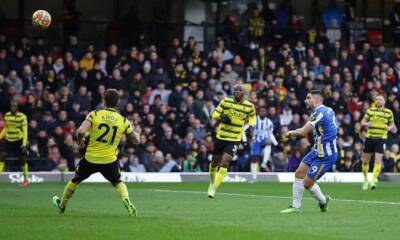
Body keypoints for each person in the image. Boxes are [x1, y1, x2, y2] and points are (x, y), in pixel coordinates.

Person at [52, 89, 140, 216]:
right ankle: (126, 199)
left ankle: (62, 205)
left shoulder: (95, 114)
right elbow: (136, 139)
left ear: (104, 100)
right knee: (118, 183)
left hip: (90, 159)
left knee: (75, 180)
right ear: (118, 102)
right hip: (110, 160)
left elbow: (80, 131)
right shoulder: (123, 120)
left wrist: (80, 141)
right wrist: (136, 134)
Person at [281, 90, 337, 213]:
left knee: (307, 183)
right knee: (299, 173)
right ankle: (296, 207)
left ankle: (323, 201)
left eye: (308, 98)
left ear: (316, 100)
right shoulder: (329, 110)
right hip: (316, 150)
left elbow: (302, 132)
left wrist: (290, 133)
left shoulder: (319, 113)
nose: (305, 100)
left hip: (326, 155)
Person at [208, 84, 256, 198]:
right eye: (235, 90)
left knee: (225, 162)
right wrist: (221, 117)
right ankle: (211, 182)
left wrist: (249, 126)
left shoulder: (249, 106)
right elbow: (214, 114)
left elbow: (253, 117)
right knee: (215, 162)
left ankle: (213, 188)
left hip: (234, 139)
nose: (237, 92)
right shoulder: (225, 101)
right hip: (221, 136)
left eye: (239, 90)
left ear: (243, 93)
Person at [360, 94, 396, 190]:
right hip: (370, 137)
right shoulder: (370, 111)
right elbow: (362, 122)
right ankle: (365, 180)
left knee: (378, 161)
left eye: (380, 99)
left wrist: (389, 127)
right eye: (377, 99)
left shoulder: (388, 112)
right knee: (365, 161)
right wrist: (367, 123)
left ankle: (373, 181)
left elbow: (392, 124)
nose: (378, 101)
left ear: (384, 101)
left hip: (381, 138)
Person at [0, 102, 29, 187]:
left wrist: (24, 144)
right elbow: (6, 128)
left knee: (22, 160)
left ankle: (26, 180)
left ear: (17, 107)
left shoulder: (22, 117)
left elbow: (25, 131)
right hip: (8, 140)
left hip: (18, 141)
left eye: (14, 106)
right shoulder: (7, 115)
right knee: (1, 157)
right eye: (11, 106)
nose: (13, 107)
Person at [250, 107, 278, 181]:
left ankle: (264, 163)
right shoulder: (254, 120)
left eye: (264, 111)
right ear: (258, 112)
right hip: (256, 140)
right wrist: (251, 137)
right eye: (261, 111)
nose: (262, 112)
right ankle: (254, 177)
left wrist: (275, 143)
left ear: (266, 113)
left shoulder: (269, 122)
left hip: (264, 139)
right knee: (254, 159)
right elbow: (250, 129)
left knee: (268, 142)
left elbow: (270, 133)